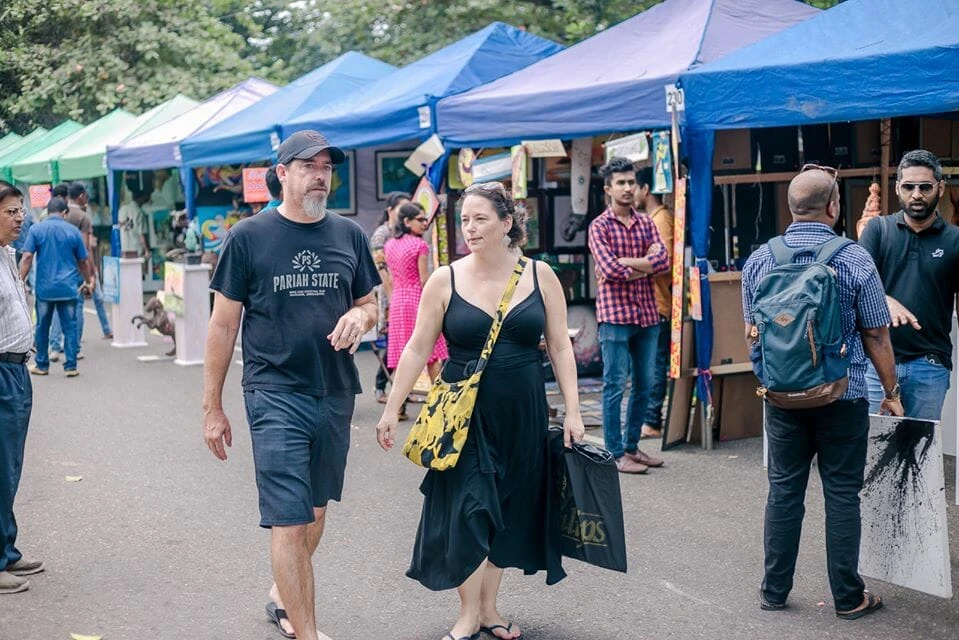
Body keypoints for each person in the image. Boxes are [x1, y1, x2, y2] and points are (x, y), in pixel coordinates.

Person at [375, 181, 585, 640]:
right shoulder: (445, 279)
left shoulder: (539, 275)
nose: (468, 228)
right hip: (462, 415)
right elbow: (416, 348)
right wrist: (392, 409)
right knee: (470, 506)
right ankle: (469, 613)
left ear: (507, 223)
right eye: (464, 220)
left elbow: (560, 347)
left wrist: (572, 410)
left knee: (506, 509)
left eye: (479, 219)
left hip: (523, 411)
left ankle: (489, 608)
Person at [202, 130, 379, 640]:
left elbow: (371, 303)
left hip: (336, 390)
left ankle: (284, 594)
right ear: (282, 174)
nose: (320, 174)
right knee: (289, 519)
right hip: (273, 391)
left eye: (326, 166)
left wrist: (362, 318)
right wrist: (212, 407)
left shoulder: (348, 235)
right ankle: (306, 631)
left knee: (316, 508)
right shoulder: (248, 237)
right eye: (308, 166)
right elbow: (221, 325)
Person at [741, 165, 903, 620]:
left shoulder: (759, 260)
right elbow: (876, 335)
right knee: (842, 494)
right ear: (833, 207)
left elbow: (753, 334)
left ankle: (774, 591)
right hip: (842, 395)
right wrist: (890, 391)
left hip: (781, 399)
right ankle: (849, 598)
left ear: (791, 208)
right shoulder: (852, 258)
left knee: (784, 493)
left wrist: (772, 381)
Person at [859, 150, 959, 420]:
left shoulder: (954, 241)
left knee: (920, 456)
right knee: (872, 454)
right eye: (908, 186)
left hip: (929, 365)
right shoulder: (878, 231)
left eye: (925, 187)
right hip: (875, 365)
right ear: (897, 188)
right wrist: (883, 299)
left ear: (940, 188)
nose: (916, 194)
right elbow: (855, 286)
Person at [587, 157, 669, 474]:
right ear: (608, 188)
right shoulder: (599, 226)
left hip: (646, 314)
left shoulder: (647, 222)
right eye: (620, 183)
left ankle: (633, 447)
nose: (627, 188)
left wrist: (628, 264)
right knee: (614, 384)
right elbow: (609, 269)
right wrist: (642, 266)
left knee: (645, 385)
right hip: (614, 316)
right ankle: (615, 453)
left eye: (630, 182)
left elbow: (662, 261)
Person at [0, 180, 44, 595]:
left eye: (20, 210)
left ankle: (7, 550)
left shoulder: (8, 255)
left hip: (16, 371)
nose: (20, 217)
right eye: (11, 211)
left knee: (9, 467)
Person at [19, 196, 93, 377]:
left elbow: (27, 257)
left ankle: (42, 365)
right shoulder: (73, 231)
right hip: (68, 287)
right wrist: (88, 280)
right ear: (65, 213)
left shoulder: (36, 229)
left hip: (45, 288)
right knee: (70, 327)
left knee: (43, 327)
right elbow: (83, 261)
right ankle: (71, 366)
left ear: (48, 211)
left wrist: (19, 281)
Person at [384, 201, 448, 393]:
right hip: (418, 300)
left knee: (403, 352)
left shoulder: (389, 244)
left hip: (398, 301)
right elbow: (423, 279)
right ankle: (439, 400)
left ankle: (399, 404)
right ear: (407, 221)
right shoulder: (420, 245)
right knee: (432, 350)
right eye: (420, 219)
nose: (425, 223)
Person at [635, 166, 674, 439]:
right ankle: (650, 418)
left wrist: (630, 264)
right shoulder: (652, 219)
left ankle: (653, 420)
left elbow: (665, 261)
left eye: (634, 186)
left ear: (645, 189)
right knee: (650, 363)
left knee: (656, 364)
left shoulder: (661, 220)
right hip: (651, 302)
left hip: (660, 302)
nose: (631, 192)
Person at [369, 191, 410, 403]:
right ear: (390, 211)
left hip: (404, 293)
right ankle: (380, 385)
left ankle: (402, 390)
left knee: (404, 343)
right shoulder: (381, 234)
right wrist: (393, 297)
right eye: (401, 209)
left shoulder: (403, 234)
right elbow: (380, 267)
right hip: (389, 295)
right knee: (395, 342)